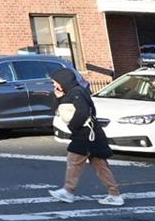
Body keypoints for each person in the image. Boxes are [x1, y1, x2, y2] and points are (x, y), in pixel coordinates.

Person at [49, 68, 123, 205]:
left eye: (55, 82)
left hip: (85, 134)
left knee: (73, 161)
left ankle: (68, 191)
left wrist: (73, 127)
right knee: (100, 165)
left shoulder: (76, 93)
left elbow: (83, 112)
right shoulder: (73, 92)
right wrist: (57, 97)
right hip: (92, 133)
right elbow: (57, 109)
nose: (54, 85)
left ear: (63, 81)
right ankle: (114, 194)